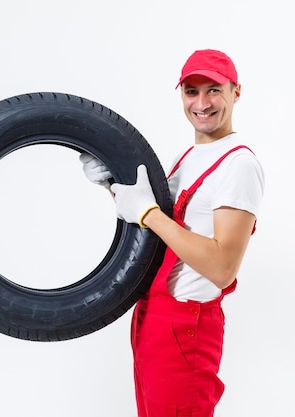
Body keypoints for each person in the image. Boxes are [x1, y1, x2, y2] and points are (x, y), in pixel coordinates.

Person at [80, 49, 265, 417]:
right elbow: (159, 233)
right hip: (153, 318)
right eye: (191, 91)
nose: (202, 103)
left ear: (236, 92)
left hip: (187, 328)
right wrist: (111, 185)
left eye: (214, 90)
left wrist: (149, 213)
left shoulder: (239, 165)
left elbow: (222, 266)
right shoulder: (187, 158)